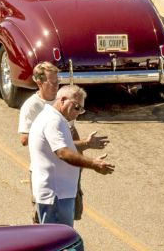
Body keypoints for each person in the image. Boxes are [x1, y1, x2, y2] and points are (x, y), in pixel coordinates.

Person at [27, 85, 112, 227]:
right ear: (63, 100)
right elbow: (63, 152)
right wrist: (93, 164)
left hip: (60, 194)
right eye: (77, 107)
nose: (79, 112)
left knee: (59, 241)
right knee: (56, 243)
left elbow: (62, 146)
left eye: (82, 109)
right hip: (55, 195)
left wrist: (85, 143)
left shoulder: (56, 119)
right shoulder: (53, 121)